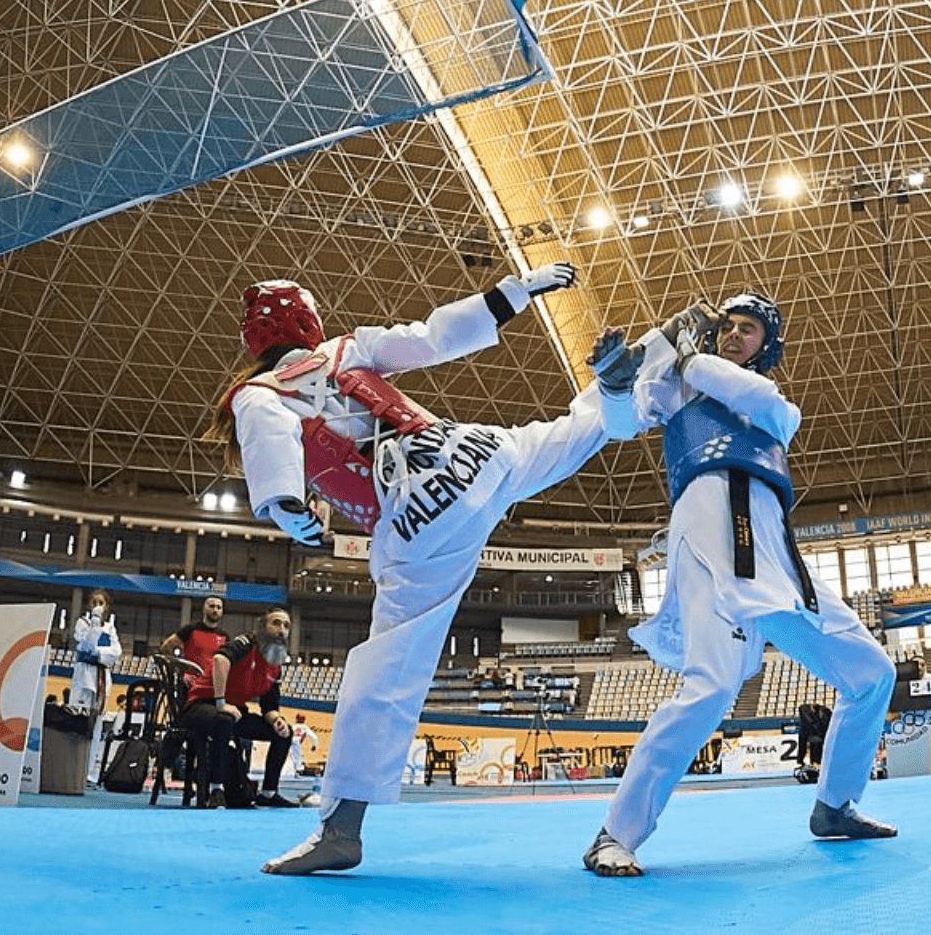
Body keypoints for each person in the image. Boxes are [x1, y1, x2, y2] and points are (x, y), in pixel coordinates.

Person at [205, 264, 638, 873]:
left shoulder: (258, 394)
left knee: (384, 673)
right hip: (471, 455)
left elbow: (272, 443)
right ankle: (638, 375)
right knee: (567, 434)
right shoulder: (348, 347)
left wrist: (288, 507)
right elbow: (433, 335)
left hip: (417, 516)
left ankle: (340, 832)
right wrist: (509, 294)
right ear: (308, 319)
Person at [580, 294, 897, 878]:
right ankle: (614, 834)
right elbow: (624, 422)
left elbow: (754, 397)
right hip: (706, 531)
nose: (731, 335)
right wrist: (615, 384)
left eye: (746, 330)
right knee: (709, 687)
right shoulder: (677, 389)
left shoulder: (773, 406)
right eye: (725, 327)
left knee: (873, 674)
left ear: (766, 345)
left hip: (772, 550)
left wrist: (685, 354)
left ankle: (835, 806)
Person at [180, 608, 298, 809]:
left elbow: (269, 707)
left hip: (234, 712)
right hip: (202, 705)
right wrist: (221, 702)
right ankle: (216, 790)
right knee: (224, 720)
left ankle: (268, 793)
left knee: (284, 733)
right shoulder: (247, 643)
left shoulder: (276, 664)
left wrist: (276, 720)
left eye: (286, 626)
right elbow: (220, 659)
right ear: (263, 627)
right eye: (276, 623)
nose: (281, 629)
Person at [70, 590, 120, 715]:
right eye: (94, 602)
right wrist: (95, 621)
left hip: (102, 675)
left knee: (99, 715)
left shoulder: (110, 628)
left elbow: (116, 652)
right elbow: (86, 646)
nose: (97, 606)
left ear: (106, 606)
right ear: (89, 605)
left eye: (101, 603)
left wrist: (96, 652)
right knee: (79, 714)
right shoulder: (82, 623)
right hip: (84, 674)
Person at [160, 596, 230, 674]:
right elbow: (166, 646)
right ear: (204, 609)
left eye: (218, 607)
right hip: (190, 681)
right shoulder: (190, 629)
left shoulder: (224, 636)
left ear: (222, 611)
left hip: (211, 682)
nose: (215, 610)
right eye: (211, 606)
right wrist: (178, 666)